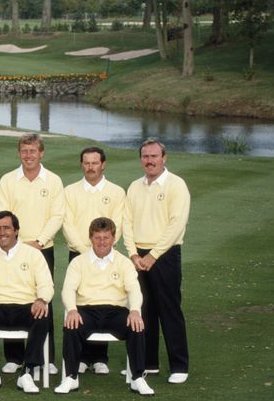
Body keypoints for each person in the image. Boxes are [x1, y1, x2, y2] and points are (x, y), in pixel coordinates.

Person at [54, 217, 154, 396]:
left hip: (115, 311)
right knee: (71, 324)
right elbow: (68, 289)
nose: (101, 242)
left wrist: (135, 311)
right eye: (97, 237)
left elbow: (134, 290)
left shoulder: (124, 262)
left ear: (113, 238)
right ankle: (71, 376)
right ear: (90, 238)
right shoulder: (78, 262)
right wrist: (72, 309)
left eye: (106, 237)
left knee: (136, 325)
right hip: (87, 310)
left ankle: (137, 378)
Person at [123, 138, 191, 384]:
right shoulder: (134, 186)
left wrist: (153, 255)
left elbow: (176, 224)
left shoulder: (176, 185)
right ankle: (148, 363)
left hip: (165, 255)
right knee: (143, 310)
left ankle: (179, 366)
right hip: (138, 256)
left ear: (164, 158)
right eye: (145, 156)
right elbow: (126, 222)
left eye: (154, 156)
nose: (149, 161)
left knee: (169, 310)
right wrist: (132, 253)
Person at [0, 132, 63, 375]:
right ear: (19, 153)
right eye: (24, 150)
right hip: (13, 250)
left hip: (43, 249)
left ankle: (47, 357)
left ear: (41, 153)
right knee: (13, 297)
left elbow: (57, 215)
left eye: (33, 151)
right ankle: (14, 356)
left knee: (44, 299)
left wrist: (39, 241)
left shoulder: (53, 181)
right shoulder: (7, 180)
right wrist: (19, 244)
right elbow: (2, 216)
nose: (28, 155)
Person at [0, 211, 54, 394]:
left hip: (25, 306)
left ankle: (28, 372)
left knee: (43, 315)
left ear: (16, 230)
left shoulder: (33, 255)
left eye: (7, 228)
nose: (2, 232)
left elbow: (47, 284)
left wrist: (41, 299)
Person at [61, 146, 126, 374]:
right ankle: (81, 357)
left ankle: (100, 357)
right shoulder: (70, 191)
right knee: (81, 301)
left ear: (103, 164)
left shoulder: (117, 192)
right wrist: (83, 250)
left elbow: (117, 222)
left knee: (104, 298)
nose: (90, 167)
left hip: (106, 254)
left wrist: (101, 249)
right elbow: (66, 223)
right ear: (82, 165)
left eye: (95, 163)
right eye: (86, 163)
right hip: (78, 254)